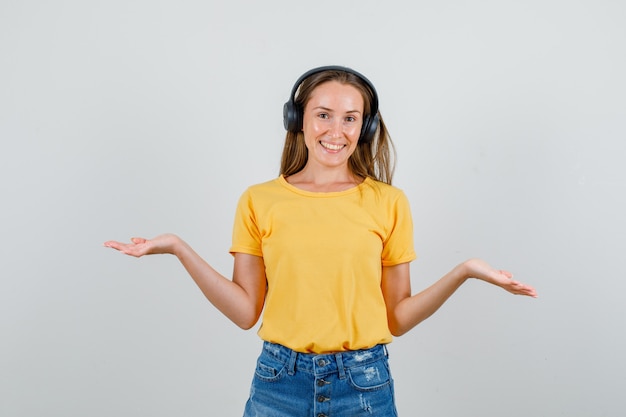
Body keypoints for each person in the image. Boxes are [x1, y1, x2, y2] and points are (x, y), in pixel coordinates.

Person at [104, 65, 537, 417]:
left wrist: (465, 271)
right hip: (279, 383)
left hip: (363, 385)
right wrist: (178, 247)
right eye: (323, 114)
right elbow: (244, 312)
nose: (337, 130)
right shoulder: (259, 200)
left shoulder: (388, 202)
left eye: (350, 118)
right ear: (299, 120)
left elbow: (398, 319)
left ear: (364, 127)